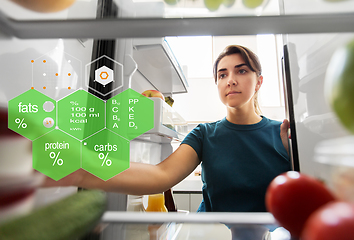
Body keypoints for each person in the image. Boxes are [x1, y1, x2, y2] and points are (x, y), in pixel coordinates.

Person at [43, 45, 291, 213]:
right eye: (222, 74)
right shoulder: (205, 135)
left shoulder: (281, 134)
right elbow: (159, 176)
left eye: (242, 71)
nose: (231, 80)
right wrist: (81, 169)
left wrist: (293, 154)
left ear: (258, 81)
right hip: (212, 234)